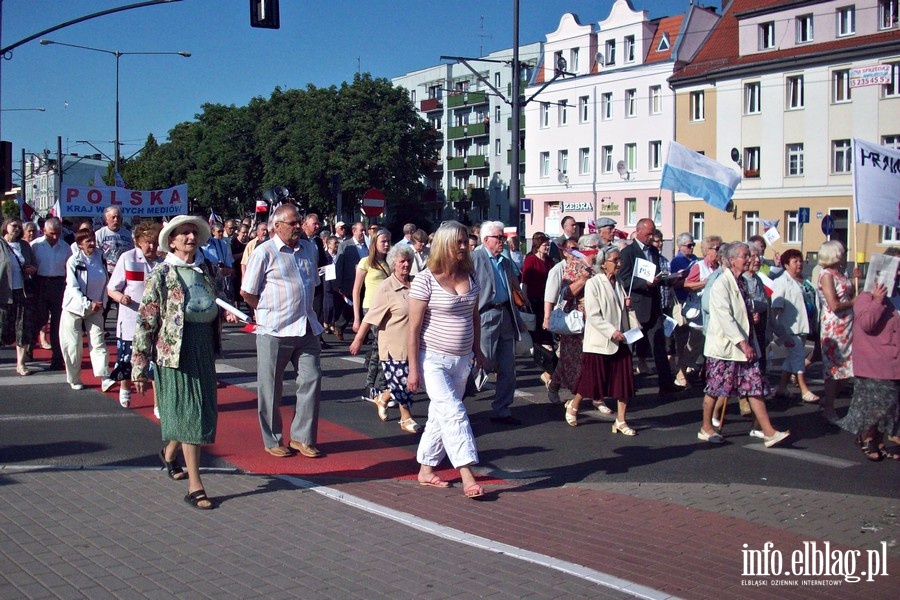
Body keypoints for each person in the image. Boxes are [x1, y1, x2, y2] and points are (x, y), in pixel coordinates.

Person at [133, 215, 237, 509]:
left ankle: (169, 452)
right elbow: (146, 320)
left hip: (203, 346)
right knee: (190, 412)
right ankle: (196, 485)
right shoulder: (162, 274)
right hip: (175, 351)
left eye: (193, 233)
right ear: (172, 242)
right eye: (184, 234)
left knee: (201, 409)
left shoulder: (203, 271)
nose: (191, 237)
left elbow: (212, 302)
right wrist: (139, 366)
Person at [407, 221, 487, 498]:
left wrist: (478, 350)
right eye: (460, 242)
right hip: (432, 360)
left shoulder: (471, 277)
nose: (465, 246)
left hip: (462, 359)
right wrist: (413, 369)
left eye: (466, 241)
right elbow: (413, 329)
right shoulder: (425, 279)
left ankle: (426, 470)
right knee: (454, 412)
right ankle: (467, 474)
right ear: (444, 245)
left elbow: (474, 316)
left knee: (439, 417)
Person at [241, 204, 324, 459]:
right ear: (277, 226)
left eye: (299, 222)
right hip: (275, 330)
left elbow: (313, 282)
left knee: (312, 380)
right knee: (271, 388)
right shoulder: (264, 252)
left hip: (306, 327)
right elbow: (248, 292)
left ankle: (302, 437)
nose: (298, 227)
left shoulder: (309, 248)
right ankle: (273, 439)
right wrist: (267, 312)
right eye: (293, 223)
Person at [699, 242, 789, 447]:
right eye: (745, 256)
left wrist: (751, 316)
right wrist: (742, 343)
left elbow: (740, 311)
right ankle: (706, 427)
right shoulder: (721, 284)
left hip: (745, 347)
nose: (750, 259)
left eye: (749, 255)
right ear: (732, 260)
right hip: (726, 348)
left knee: (754, 386)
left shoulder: (743, 283)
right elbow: (724, 317)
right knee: (715, 388)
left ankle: (768, 431)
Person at [350, 243, 421, 433]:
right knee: (404, 381)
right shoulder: (387, 287)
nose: (406, 265)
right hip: (394, 345)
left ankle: (383, 398)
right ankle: (406, 418)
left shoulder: (416, 284)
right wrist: (358, 338)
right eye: (402, 261)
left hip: (415, 344)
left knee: (408, 382)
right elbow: (372, 315)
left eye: (408, 261)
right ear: (394, 264)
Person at [564, 246, 636, 432]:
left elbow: (619, 309)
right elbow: (594, 315)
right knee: (591, 381)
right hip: (599, 341)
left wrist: (627, 305)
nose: (619, 264)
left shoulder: (618, 281)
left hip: (621, 339)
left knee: (623, 381)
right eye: (615, 260)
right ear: (603, 264)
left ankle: (621, 420)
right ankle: (574, 405)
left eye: (620, 260)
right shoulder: (594, 283)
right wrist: (611, 332)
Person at [836, 252, 899, 461]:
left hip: (894, 361)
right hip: (874, 362)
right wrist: (878, 300)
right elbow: (867, 323)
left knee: (891, 405)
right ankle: (867, 438)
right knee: (875, 406)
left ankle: (879, 440)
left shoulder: (897, 295)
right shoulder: (866, 296)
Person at [472, 221, 526, 425]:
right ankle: (456, 396)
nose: (502, 241)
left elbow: (510, 291)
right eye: (498, 238)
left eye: (503, 237)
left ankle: (502, 409)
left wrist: (518, 318)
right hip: (485, 315)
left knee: (508, 366)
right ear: (486, 240)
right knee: (483, 363)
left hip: (505, 314)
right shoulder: (475, 258)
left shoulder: (503, 261)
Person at [617, 218, 678, 394]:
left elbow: (656, 274)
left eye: (653, 233)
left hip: (654, 306)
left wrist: (666, 279)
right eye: (648, 233)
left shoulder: (653, 251)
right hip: (636, 307)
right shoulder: (629, 252)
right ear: (638, 231)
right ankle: (626, 385)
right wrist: (645, 283)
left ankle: (666, 384)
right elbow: (624, 279)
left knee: (659, 345)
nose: (651, 237)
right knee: (630, 347)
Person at [107, 220, 162, 410]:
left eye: (155, 242)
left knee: (155, 363)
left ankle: (158, 404)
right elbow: (112, 288)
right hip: (131, 319)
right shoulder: (127, 258)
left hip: (156, 321)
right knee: (129, 358)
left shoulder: (163, 262)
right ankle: (124, 388)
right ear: (138, 241)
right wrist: (121, 297)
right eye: (147, 242)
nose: (151, 246)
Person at [60, 230, 116, 392]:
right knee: (72, 346)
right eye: (87, 241)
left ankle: (104, 377)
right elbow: (73, 287)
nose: (91, 244)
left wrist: (101, 303)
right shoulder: (73, 261)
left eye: (92, 240)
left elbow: (106, 279)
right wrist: (87, 303)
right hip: (73, 309)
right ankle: (74, 378)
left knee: (98, 343)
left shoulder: (100, 257)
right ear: (79, 245)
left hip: (96, 309)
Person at [770, 249, 819, 402]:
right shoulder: (781, 282)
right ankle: (804, 389)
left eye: (800, 260)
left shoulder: (805, 280)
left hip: (805, 326)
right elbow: (776, 307)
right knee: (798, 357)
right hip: (790, 327)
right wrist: (779, 331)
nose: (799, 264)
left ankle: (782, 388)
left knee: (792, 359)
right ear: (786, 265)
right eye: (795, 261)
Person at [815, 240, 855, 423]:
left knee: (850, 369)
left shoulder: (841, 272)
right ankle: (829, 407)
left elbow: (849, 295)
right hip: (834, 327)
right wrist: (855, 302)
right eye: (841, 251)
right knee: (834, 369)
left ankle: (828, 400)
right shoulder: (826, 275)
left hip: (848, 324)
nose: (844, 253)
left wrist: (855, 279)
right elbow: (834, 305)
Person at [675, 235, 721, 387]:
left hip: (713, 313)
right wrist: (704, 283)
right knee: (693, 346)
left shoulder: (718, 268)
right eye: (717, 249)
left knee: (709, 346)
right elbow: (686, 284)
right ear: (707, 251)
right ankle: (680, 373)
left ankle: (705, 375)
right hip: (699, 313)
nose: (720, 252)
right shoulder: (699, 266)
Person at [353, 227, 392, 401]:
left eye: (388, 241)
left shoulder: (389, 262)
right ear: (374, 243)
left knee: (382, 347)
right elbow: (356, 290)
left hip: (388, 309)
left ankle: (379, 386)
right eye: (383, 241)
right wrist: (357, 318)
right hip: (371, 308)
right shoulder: (365, 262)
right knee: (382, 346)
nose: (386, 244)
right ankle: (374, 386)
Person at [31, 217, 71, 371]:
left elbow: (69, 268)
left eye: (58, 234)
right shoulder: (35, 245)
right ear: (44, 231)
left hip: (58, 284)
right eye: (52, 234)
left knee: (58, 324)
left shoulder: (65, 247)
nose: (55, 237)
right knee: (38, 319)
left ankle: (57, 359)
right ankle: (29, 348)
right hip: (40, 283)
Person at [1, 218, 37, 376]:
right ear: (5, 227)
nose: (16, 228)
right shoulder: (1, 245)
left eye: (18, 226)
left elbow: (35, 264)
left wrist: (32, 269)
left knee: (23, 327)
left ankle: (20, 363)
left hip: (23, 292)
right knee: (3, 328)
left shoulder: (24, 246)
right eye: (13, 226)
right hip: (4, 293)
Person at [521, 232, 553, 381]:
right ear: (537, 246)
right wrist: (525, 298)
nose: (547, 247)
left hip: (547, 300)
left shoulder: (549, 261)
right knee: (539, 332)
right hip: (533, 300)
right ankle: (545, 364)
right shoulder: (531, 260)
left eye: (548, 244)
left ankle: (547, 366)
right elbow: (525, 281)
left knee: (546, 333)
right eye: (545, 245)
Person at [95, 206, 134, 324]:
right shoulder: (100, 234)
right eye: (113, 217)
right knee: (105, 303)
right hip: (107, 271)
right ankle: (102, 328)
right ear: (106, 219)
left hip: (123, 273)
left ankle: (120, 327)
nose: (116, 220)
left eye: (118, 217)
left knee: (122, 302)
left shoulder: (128, 234)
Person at [334, 222, 368, 340]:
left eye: (364, 230)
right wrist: (338, 282)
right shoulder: (345, 245)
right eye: (361, 230)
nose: (363, 233)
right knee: (350, 306)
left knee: (363, 307)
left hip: (365, 282)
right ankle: (339, 325)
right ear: (354, 231)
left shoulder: (366, 246)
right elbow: (339, 264)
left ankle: (363, 334)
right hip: (350, 282)